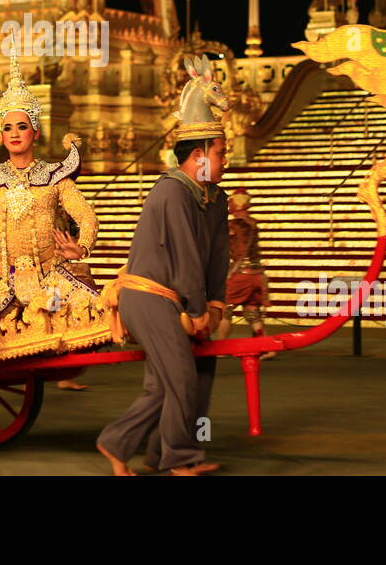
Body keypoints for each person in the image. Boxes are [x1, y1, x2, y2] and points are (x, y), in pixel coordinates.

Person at [96, 55, 229, 476]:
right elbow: (187, 255)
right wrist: (195, 310)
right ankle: (174, 459)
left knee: (188, 374)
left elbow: (216, 256)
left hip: (180, 299)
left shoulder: (215, 198)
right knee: (180, 377)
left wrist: (217, 303)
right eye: (220, 152)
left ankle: (147, 451)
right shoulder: (172, 191)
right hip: (148, 296)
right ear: (199, 154)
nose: (225, 160)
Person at [0, 50, 99, 329]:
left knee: (75, 323)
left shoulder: (55, 177)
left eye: (22, 126)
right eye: (8, 128)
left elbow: (87, 217)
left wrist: (81, 248)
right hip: (3, 287)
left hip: (52, 284)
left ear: (36, 133)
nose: (15, 133)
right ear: (2, 135)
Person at [214, 188, 271, 357]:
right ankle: (266, 348)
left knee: (226, 310)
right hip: (257, 274)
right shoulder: (253, 224)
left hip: (241, 275)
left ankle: (221, 348)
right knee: (252, 312)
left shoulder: (232, 226)